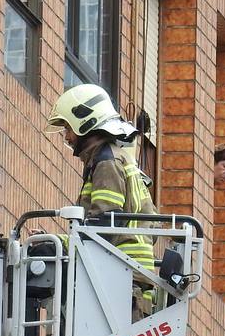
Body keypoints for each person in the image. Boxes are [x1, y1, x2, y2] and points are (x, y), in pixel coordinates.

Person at [46, 84, 157, 275]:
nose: (67, 137)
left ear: (85, 123)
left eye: (68, 128)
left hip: (121, 278)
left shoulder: (107, 162)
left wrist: (57, 244)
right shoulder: (112, 158)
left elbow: (104, 226)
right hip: (126, 276)